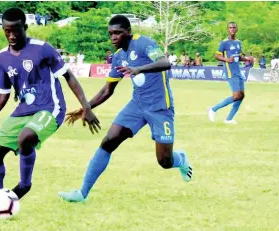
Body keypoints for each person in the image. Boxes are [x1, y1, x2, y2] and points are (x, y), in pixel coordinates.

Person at [58, 15, 193, 203]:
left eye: (118, 33)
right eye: (110, 34)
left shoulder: (144, 43)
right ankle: (82, 193)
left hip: (160, 108)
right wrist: (85, 108)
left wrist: (139, 69)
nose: (113, 37)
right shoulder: (119, 57)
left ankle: (181, 159)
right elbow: (107, 90)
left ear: (128, 32)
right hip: (136, 106)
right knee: (108, 141)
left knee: (164, 161)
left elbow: (165, 63)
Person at [0, 8, 100, 200]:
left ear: (26, 27)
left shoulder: (42, 49)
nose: (12, 35)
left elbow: (68, 76)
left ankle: (24, 185)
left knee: (26, 137)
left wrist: (86, 107)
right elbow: (2, 95)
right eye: (7, 31)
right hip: (23, 110)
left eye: (16, 30)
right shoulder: (2, 58)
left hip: (50, 108)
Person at [208, 22, 251, 124]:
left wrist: (247, 59)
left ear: (236, 29)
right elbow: (217, 56)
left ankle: (229, 119)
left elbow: (239, 56)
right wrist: (227, 59)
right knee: (236, 96)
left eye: (234, 27)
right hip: (230, 72)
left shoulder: (238, 42)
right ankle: (213, 109)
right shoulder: (224, 43)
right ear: (227, 30)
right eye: (230, 28)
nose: (232, 29)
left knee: (241, 95)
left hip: (238, 71)